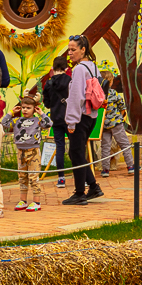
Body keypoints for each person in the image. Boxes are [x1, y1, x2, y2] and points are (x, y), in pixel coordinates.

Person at [62, 34, 105, 206]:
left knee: (77, 154)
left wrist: (71, 121)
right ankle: (93, 187)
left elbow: (76, 96)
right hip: (91, 116)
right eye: (69, 49)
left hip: (80, 118)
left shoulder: (79, 69)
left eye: (73, 49)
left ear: (83, 50)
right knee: (76, 153)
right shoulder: (93, 67)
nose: (70, 53)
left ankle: (80, 193)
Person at [3, 95, 48, 211]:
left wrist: (41, 113)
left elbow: (48, 124)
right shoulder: (17, 121)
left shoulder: (37, 121)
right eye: (23, 107)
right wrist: (11, 112)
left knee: (33, 177)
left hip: (33, 152)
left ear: (34, 109)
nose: (25, 110)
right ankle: (23, 200)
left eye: (28, 107)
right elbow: (4, 124)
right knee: (22, 177)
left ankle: (36, 202)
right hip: (21, 152)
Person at [41, 55, 70, 188]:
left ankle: (61, 178)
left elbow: (46, 104)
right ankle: (83, 177)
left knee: (60, 147)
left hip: (56, 119)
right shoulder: (70, 81)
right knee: (76, 147)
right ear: (67, 68)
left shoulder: (48, 83)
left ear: (52, 68)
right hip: (70, 118)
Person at [99, 74, 133, 176]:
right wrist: (121, 117)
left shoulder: (98, 95)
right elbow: (122, 106)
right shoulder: (113, 93)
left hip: (104, 125)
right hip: (116, 123)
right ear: (110, 82)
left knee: (105, 147)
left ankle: (105, 169)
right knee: (124, 144)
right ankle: (130, 166)